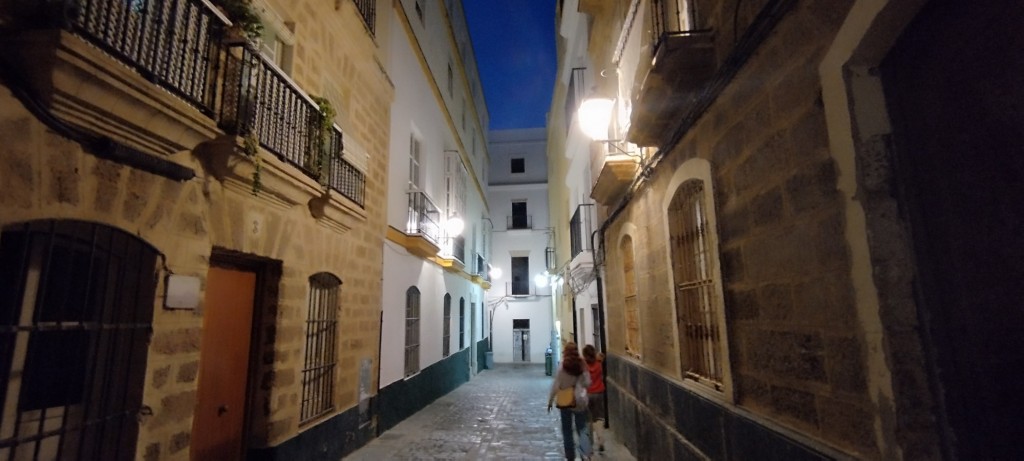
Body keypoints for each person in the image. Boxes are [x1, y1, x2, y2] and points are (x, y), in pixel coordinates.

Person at [547, 342, 593, 460]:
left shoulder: (563, 366)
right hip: (579, 400)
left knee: (567, 430)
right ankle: (585, 454)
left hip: (565, 400)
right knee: (582, 428)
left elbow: (556, 385)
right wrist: (580, 385)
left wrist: (550, 400)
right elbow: (588, 383)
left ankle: (570, 456)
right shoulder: (582, 365)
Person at [582, 345, 606, 453]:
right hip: (598, 393)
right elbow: (602, 355)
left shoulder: (583, 365)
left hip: (587, 394)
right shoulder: (599, 363)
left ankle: (590, 445)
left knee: (587, 420)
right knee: (598, 417)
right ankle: (600, 439)